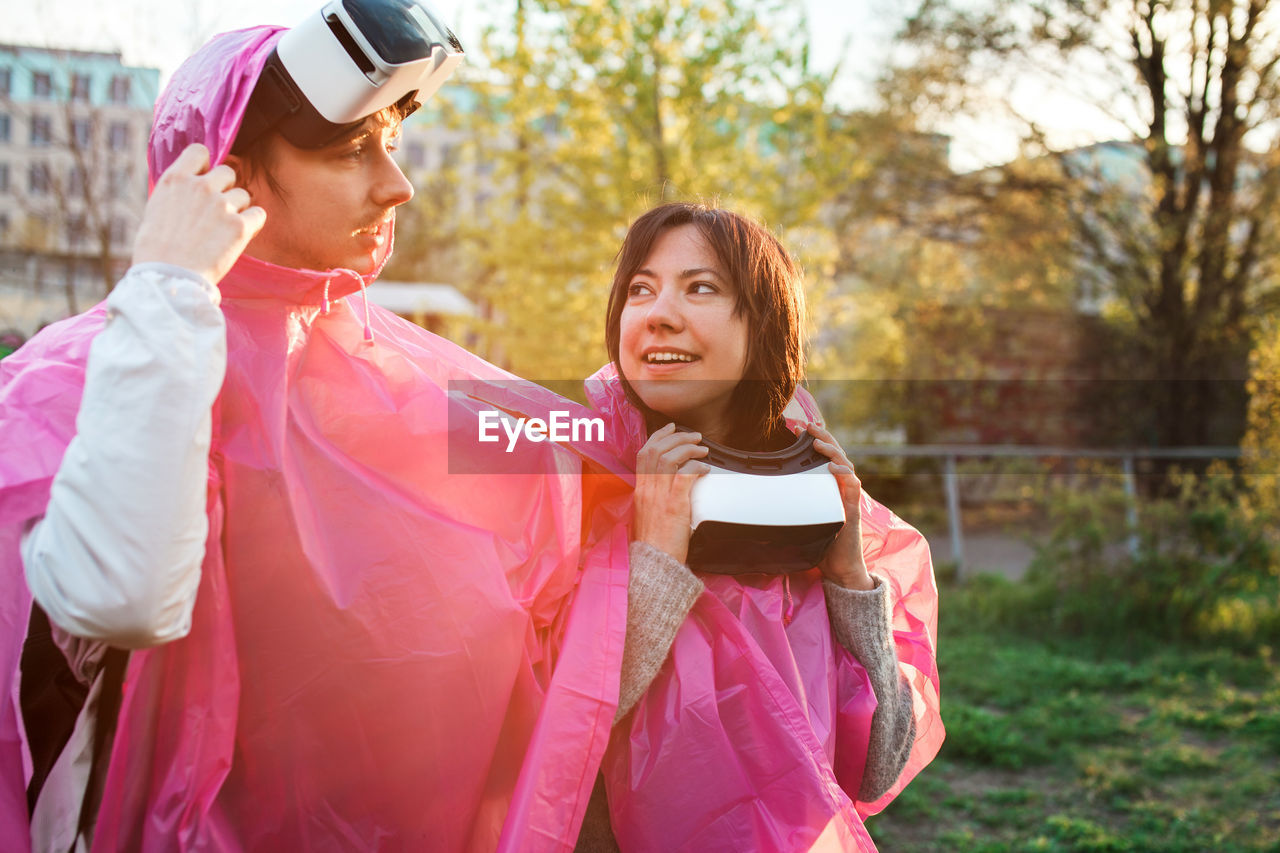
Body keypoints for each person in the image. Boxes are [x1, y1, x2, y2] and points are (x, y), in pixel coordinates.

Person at [0, 5, 630, 850]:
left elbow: (579, 486)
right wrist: (172, 284)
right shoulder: (69, 384)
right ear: (225, 179)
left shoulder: (386, 372)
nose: (396, 185)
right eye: (348, 151)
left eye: (393, 147)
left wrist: (721, 433)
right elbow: (123, 591)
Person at [576, 203, 944, 851]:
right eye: (640, 288)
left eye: (701, 287)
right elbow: (556, 745)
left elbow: (878, 763)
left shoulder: (808, 493)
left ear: (766, 326)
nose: (657, 312)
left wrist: (849, 576)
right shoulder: (575, 482)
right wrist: (657, 553)